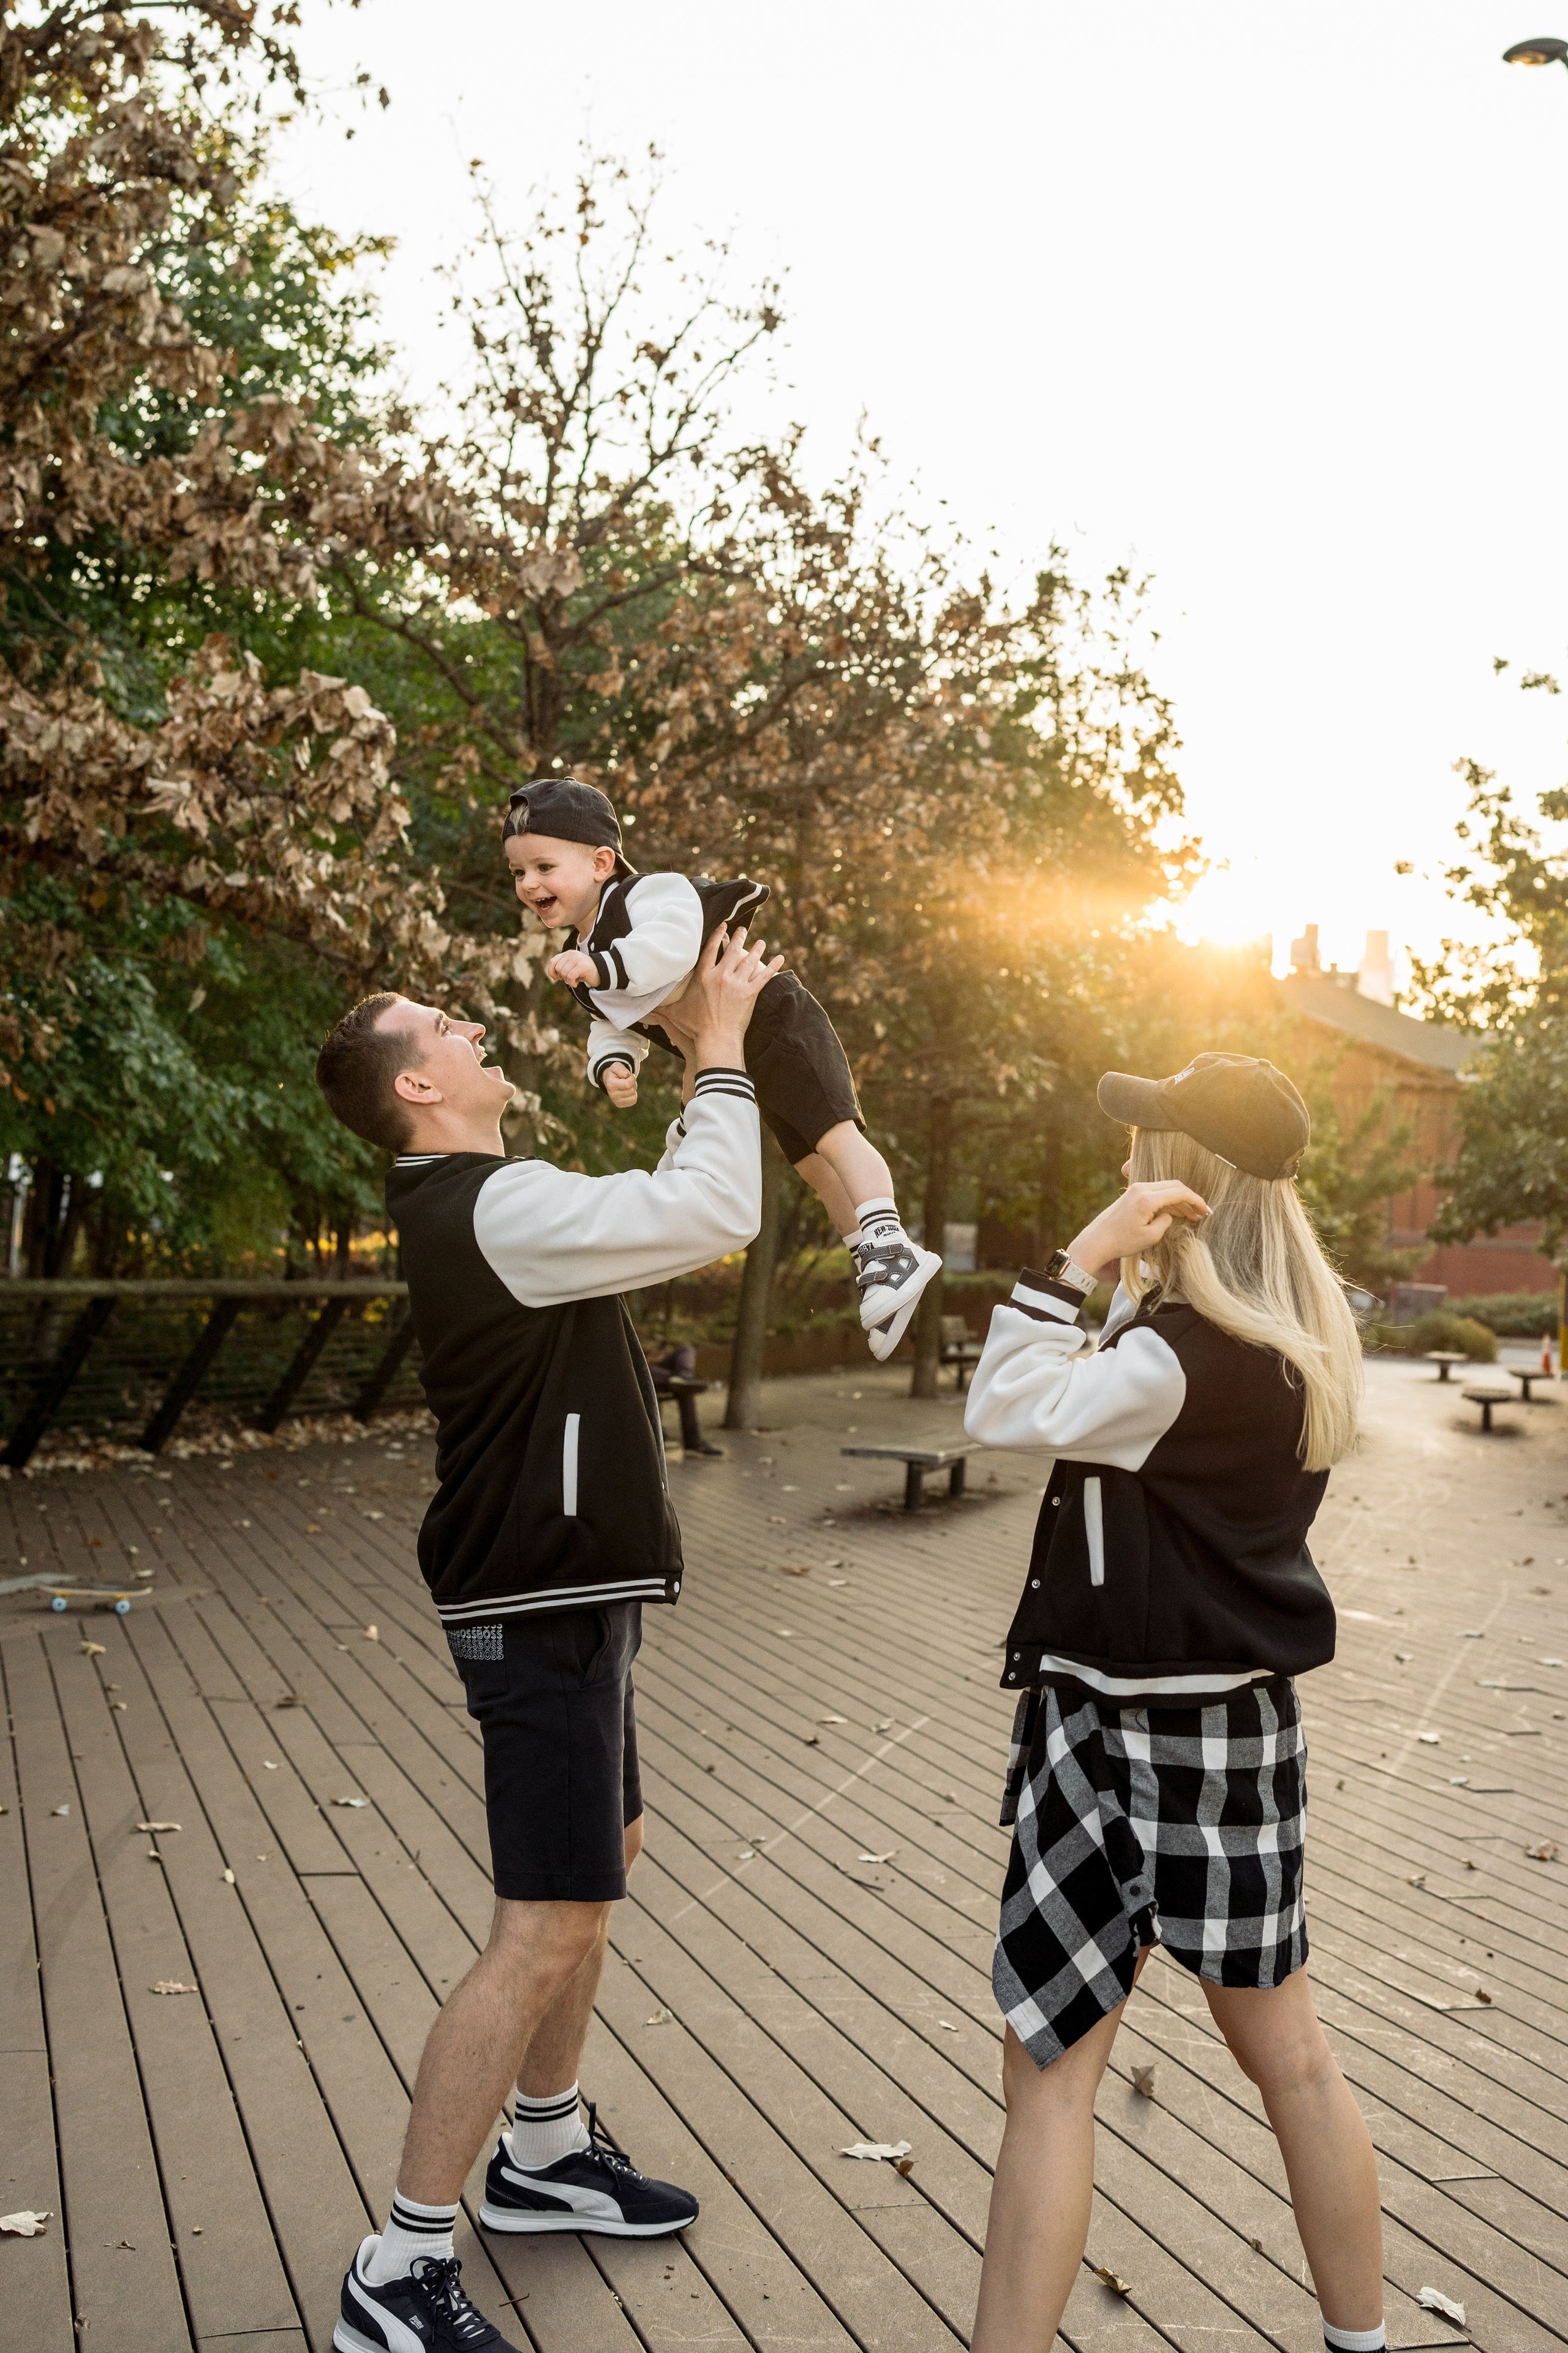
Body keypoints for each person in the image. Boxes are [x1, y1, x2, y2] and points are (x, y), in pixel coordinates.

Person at [312, 924, 779, 2353]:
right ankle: (396, 2266)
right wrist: (718, 1041)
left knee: (603, 1858)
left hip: (571, 1590)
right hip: (532, 1598)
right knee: (542, 1922)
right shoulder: (488, 1203)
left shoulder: (485, 1198)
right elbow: (712, 1211)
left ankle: (543, 2150)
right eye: (444, 1026)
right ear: (417, 1087)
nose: (469, 1029)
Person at [962, 1052, 1384, 2353]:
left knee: (1050, 2077)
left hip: (1113, 1741)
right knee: (1291, 2062)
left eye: (1142, 1144)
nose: (1125, 1161)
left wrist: (1082, 1251)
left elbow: (1000, 1403)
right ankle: (1359, 2344)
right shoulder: (1284, 1343)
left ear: (1182, 1186)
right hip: (1223, 1736)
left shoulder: (1175, 1363)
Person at [502, 774, 941, 1360]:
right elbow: (610, 1018)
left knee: (836, 1135)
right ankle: (869, 1259)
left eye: (544, 867)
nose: (530, 884)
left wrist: (604, 968)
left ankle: (891, 1242)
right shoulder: (584, 959)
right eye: (518, 873)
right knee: (812, 1163)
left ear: (602, 861)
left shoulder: (646, 897)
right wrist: (612, 1062)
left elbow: (674, 943)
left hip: (774, 1018)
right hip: (730, 1051)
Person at [647, 1338, 723, 1457]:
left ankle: (683, 1377)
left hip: (659, 1369)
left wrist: (656, 1357)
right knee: (684, 1388)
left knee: (686, 1349)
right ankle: (694, 1442)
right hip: (643, 1370)